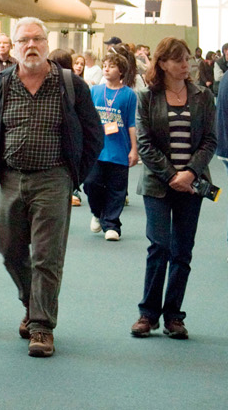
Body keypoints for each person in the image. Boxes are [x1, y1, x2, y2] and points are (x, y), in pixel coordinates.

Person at [0, 17, 104, 357]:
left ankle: (41, 327)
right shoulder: (2, 83)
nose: (31, 45)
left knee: (47, 257)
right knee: (10, 251)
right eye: (24, 40)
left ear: (47, 42)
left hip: (53, 179)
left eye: (37, 39)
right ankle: (30, 301)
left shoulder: (70, 84)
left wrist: (72, 176)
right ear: (15, 45)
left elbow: (93, 136)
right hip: (11, 178)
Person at [133, 37, 214, 340]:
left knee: (183, 251)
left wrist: (191, 173)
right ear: (163, 63)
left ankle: (173, 316)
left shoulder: (203, 96)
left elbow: (210, 140)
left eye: (187, 60)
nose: (186, 65)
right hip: (158, 184)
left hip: (193, 186)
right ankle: (147, 314)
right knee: (160, 246)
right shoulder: (147, 97)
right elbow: (144, 144)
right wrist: (172, 176)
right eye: (178, 60)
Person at [87, 52, 139, 241]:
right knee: (92, 183)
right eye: (105, 65)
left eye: (111, 66)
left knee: (116, 189)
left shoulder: (129, 95)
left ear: (121, 71)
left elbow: (131, 123)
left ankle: (112, 225)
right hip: (96, 149)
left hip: (119, 149)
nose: (106, 68)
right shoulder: (95, 91)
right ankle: (97, 212)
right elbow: (88, 119)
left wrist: (134, 149)